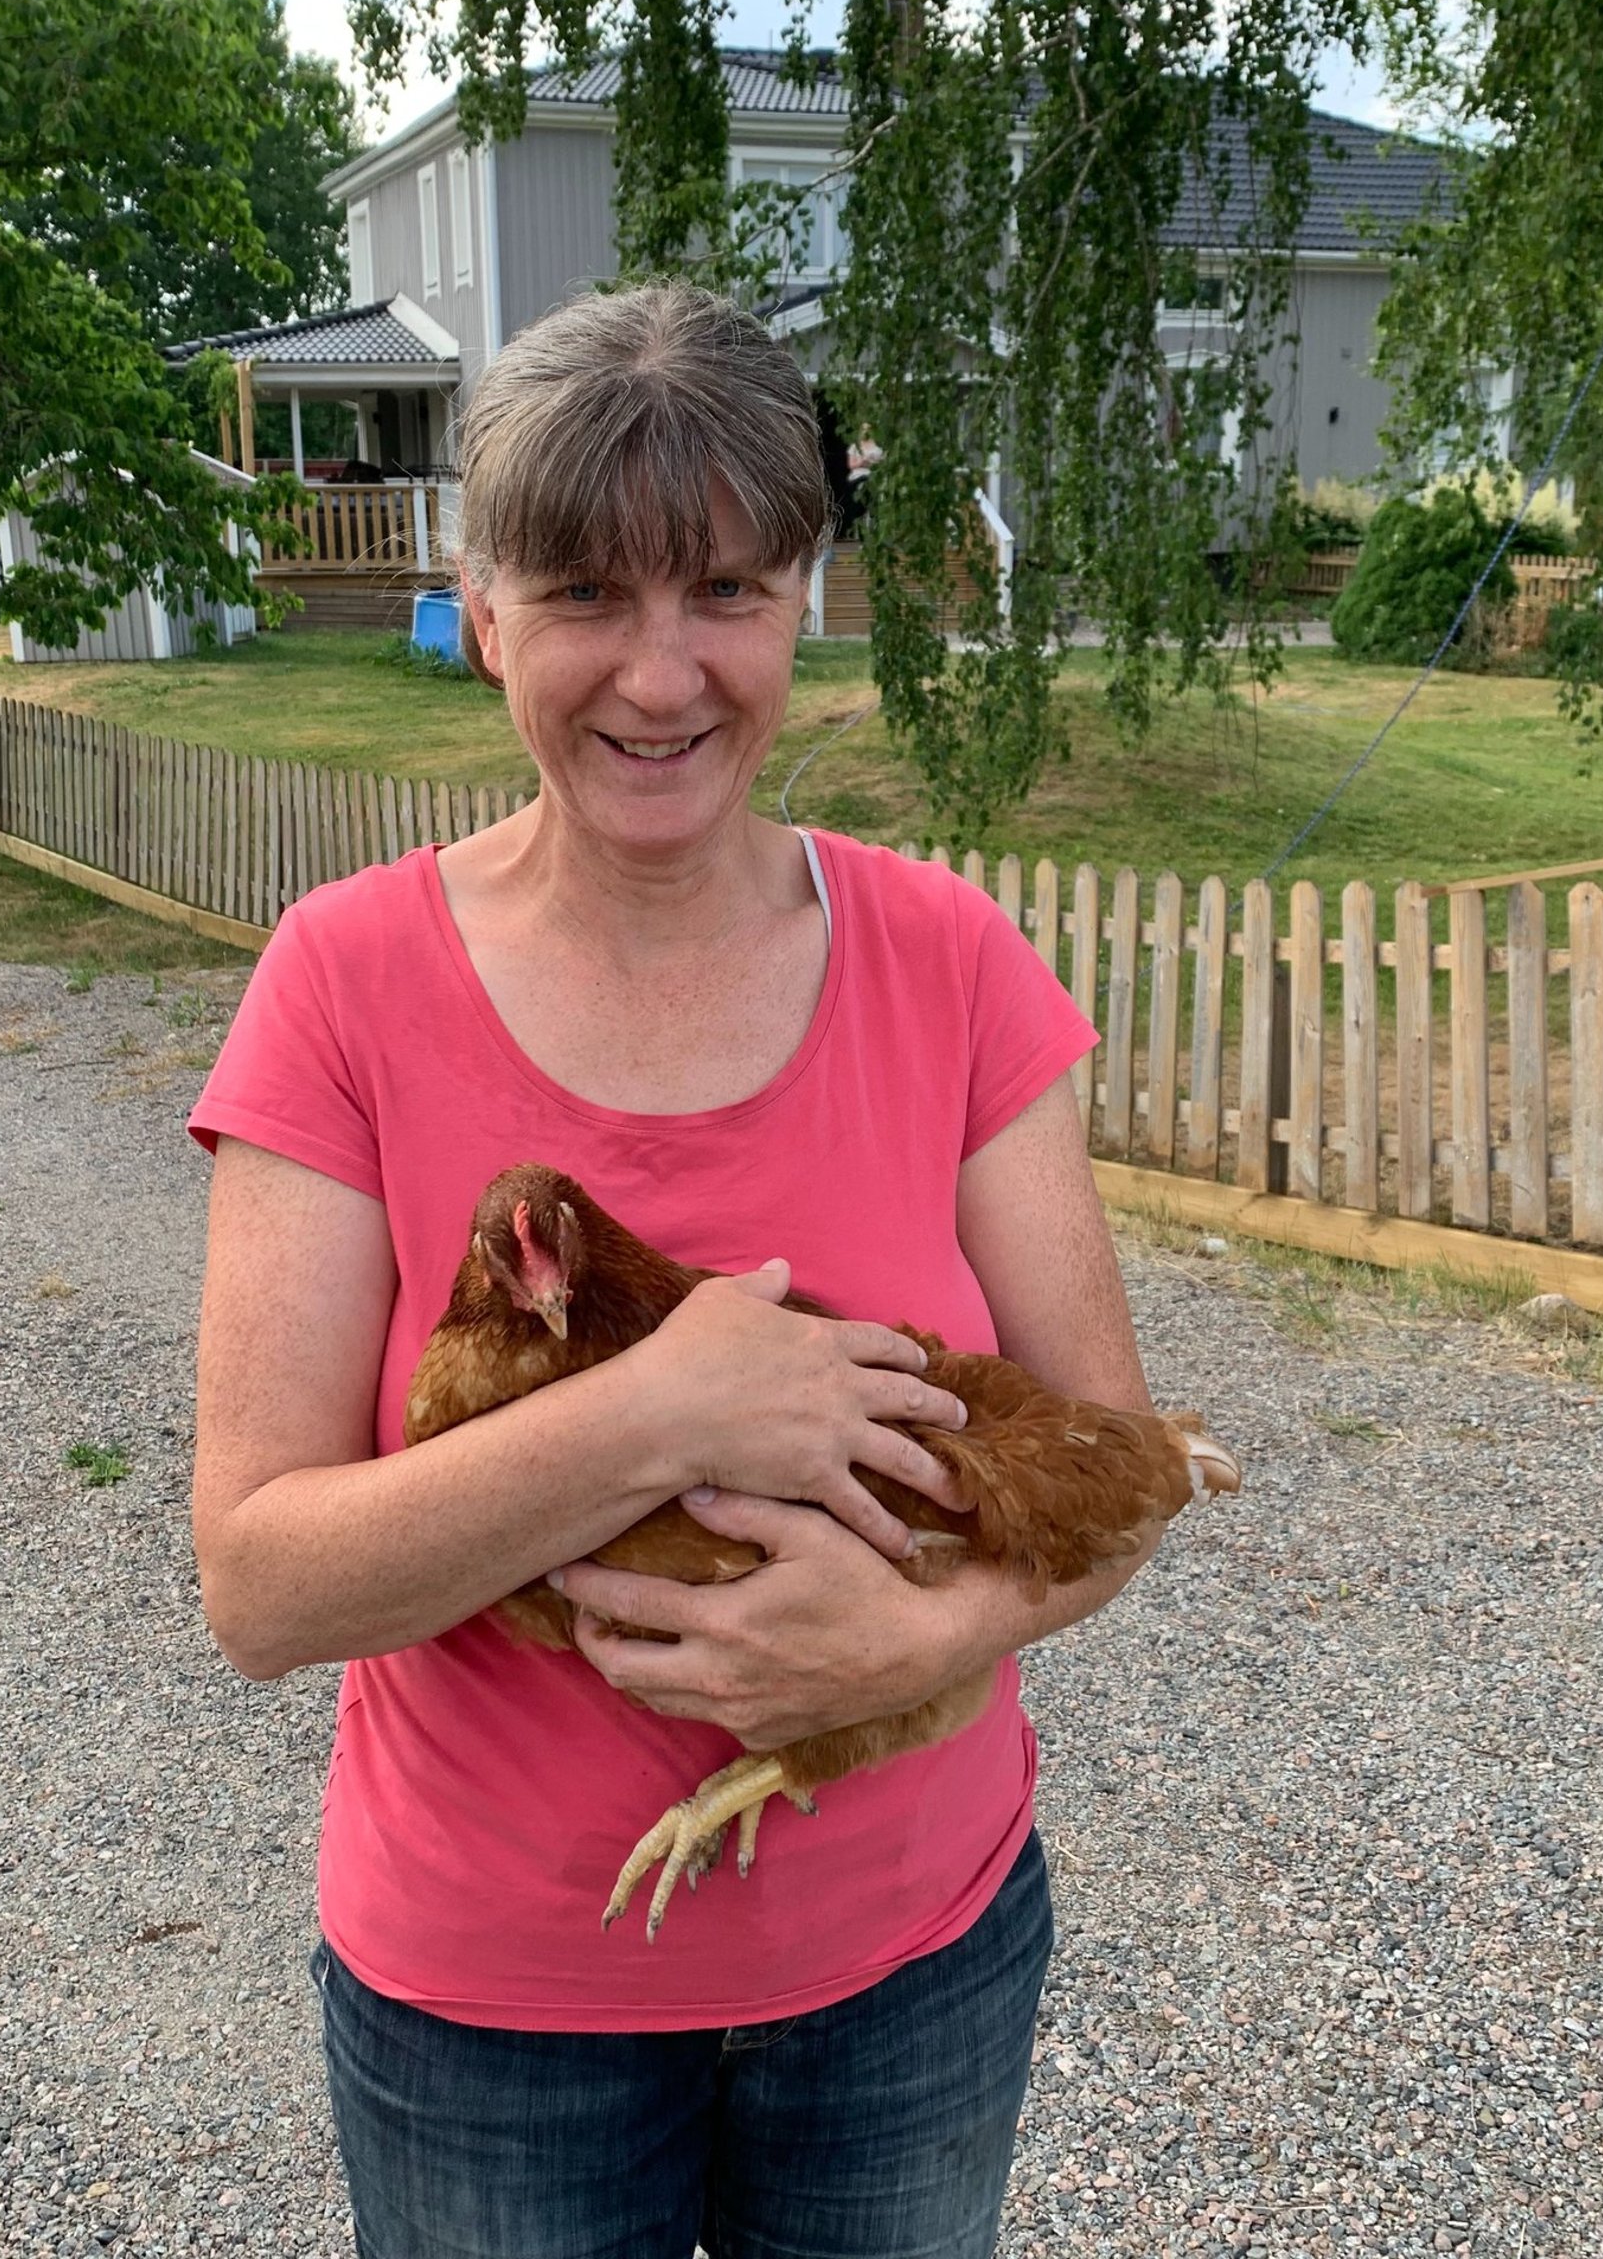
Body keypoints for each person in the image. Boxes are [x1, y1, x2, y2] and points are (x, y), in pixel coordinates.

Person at [188, 279, 1161, 2259]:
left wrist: (919, 1645)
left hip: (914, 1962)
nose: (660, 674)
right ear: (482, 603)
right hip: (492, 2019)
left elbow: (1120, 1464)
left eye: (724, 587)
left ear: (808, 588)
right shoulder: (345, 984)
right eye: (584, 597)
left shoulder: (953, 964)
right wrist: (663, 1405)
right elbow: (261, 1581)